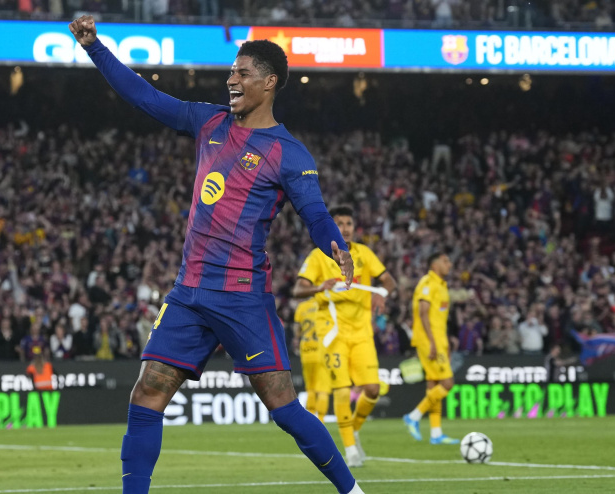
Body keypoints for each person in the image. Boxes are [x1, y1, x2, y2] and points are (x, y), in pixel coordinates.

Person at [69, 15, 362, 494]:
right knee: (147, 391)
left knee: (284, 407)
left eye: (243, 72)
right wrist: (95, 47)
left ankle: (352, 491)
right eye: (231, 70)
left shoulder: (289, 152)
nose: (232, 78)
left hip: (243, 297)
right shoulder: (208, 121)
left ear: (269, 83)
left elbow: (315, 213)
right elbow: (145, 96)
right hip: (190, 293)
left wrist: (335, 245)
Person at [292, 206, 396, 467]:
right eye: (340, 223)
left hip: (362, 332)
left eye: (349, 222)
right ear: (333, 227)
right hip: (332, 332)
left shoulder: (365, 253)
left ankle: (355, 429)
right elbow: (297, 290)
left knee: (372, 389)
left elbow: (389, 282)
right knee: (340, 389)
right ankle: (349, 449)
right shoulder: (318, 256)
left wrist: (380, 295)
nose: (346, 227)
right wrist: (319, 287)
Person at [402, 252, 459, 445]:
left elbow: (437, 318)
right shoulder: (427, 282)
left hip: (438, 339)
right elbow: (423, 313)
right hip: (428, 340)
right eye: (445, 260)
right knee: (447, 383)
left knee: (434, 386)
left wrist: (444, 343)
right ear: (434, 264)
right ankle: (414, 416)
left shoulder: (442, 285)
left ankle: (436, 434)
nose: (449, 264)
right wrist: (433, 342)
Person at [292, 297, 332, 421]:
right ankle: (321, 420)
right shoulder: (326, 304)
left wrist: (297, 340)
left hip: (306, 351)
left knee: (310, 389)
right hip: (322, 351)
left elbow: (296, 329)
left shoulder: (302, 306)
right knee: (323, 389)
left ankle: (310, 421)